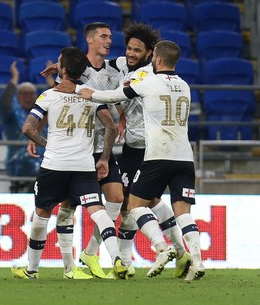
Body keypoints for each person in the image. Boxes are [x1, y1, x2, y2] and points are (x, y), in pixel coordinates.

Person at [55, 23, 191, 279]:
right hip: (131, 146)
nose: (130, 53)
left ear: (151, 54)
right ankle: (145, 259)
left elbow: (126, 95)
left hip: (152, 148)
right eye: (128, 48)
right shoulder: (119, 65)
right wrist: (59, 69)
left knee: (139, 202)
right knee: (130, 204)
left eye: (137, 50)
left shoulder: (153, 74)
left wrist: (119, 116)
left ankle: (167, 253)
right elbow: (79, 66)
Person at [10, 46, 128, 280]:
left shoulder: (48, 96)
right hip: (83, 167)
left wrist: (46, 143)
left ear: (62, 69)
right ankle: (117, 259)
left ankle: (32, 270)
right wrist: (104, 157)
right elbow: (111, 128)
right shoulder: (90, 93)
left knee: (41, 215)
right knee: (98, 211)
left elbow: (27, 128)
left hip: (54, 166)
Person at [38, 22, 125, 279]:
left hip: (103, 147)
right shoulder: (77, 71)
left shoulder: (115, 70)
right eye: (103, 36)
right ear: (90, 39)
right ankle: (69, 267)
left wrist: (123, 118)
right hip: (79, 149)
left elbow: (122, 97)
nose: (108, 41)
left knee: (116, 198)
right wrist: (39, 132)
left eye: (110, 36)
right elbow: (54, 102)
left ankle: (91, 251)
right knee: (68, 208)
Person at [0, 61, 47, 191]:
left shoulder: (44, 114)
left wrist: (51, 80)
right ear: (18, 96)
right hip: (19, 162)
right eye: (23, 93)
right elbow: (4, 104)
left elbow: (61, 102)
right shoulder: (12, 114)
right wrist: (14, 79)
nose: (28, 97)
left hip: (44, 160)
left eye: (31, 93)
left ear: (36, 97)